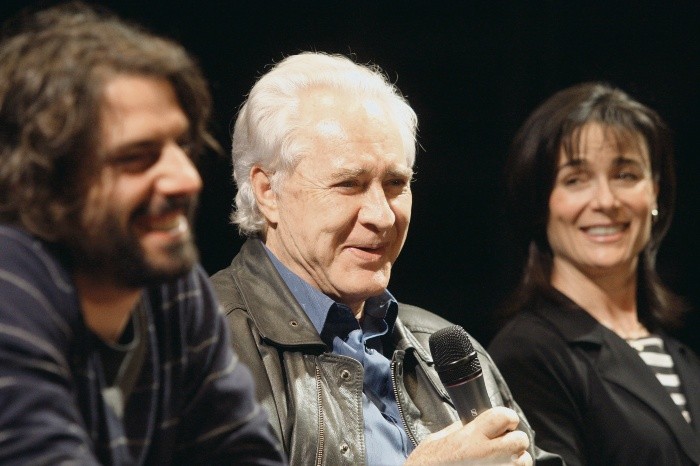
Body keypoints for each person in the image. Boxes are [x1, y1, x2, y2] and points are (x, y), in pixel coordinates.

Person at [211, 51, 562, 465]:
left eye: (396, 183)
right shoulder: (205, 345)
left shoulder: (439, 344)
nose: (382, 216)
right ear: (268, 191)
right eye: (349, 184)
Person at [0, 3, 285, 465]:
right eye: (137, 157)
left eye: (181, 146)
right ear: (45, 178)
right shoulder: (11, 282)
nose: (187, 178)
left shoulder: (171, 287)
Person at [488, 82, 700, 465]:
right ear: (542, 203)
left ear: (655, 192)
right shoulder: (528, 355)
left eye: (626, 175)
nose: (605, 201)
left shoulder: (683, 359)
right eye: (575, 180)